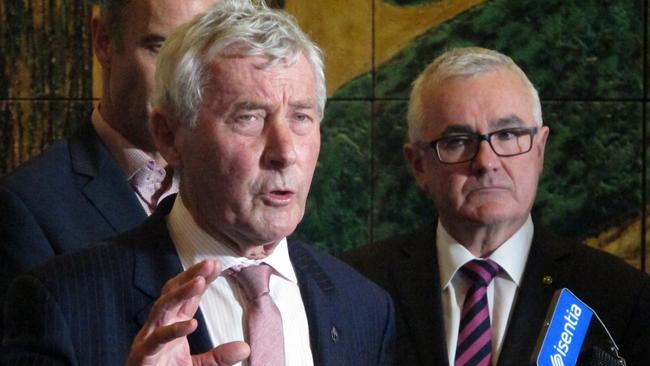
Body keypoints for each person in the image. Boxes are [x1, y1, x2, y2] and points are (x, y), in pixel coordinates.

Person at [1, 1, 395, 365]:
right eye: (249, 117)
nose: (285, 151)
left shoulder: (365, 308)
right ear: (170, 137)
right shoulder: (63, 300)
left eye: (302, 117)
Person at [342, 47, 650, 366]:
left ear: (540, 150)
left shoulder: (622, 297)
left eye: (507, 135)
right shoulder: (354, 287)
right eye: (458, 140)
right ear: (419, 164)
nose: (486, 162)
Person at [0, 0, 217, 313]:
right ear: (104, 41)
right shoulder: (27, 210)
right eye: (160, 48)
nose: (182, 82)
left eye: (201, 52)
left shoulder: (236, 186)